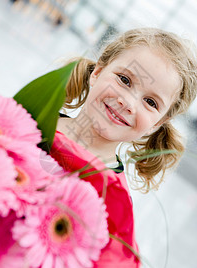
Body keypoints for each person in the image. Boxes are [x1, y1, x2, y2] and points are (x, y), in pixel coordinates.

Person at [51, 27, 197, 267]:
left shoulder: (113, 201)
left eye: (150, 102)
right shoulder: (29, 120)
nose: (127, 102)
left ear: (157, 124)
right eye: (124, 80)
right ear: (97, 72)